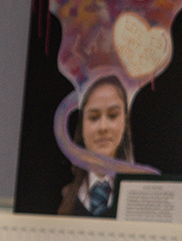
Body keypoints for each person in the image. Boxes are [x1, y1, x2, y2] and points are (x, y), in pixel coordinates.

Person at [56, 75, 132, 217]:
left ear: (125, 122)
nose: (103, 127)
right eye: (94, 117)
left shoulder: (138, 197)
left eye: (113, 115)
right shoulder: (61, 195)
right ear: (82, 125)